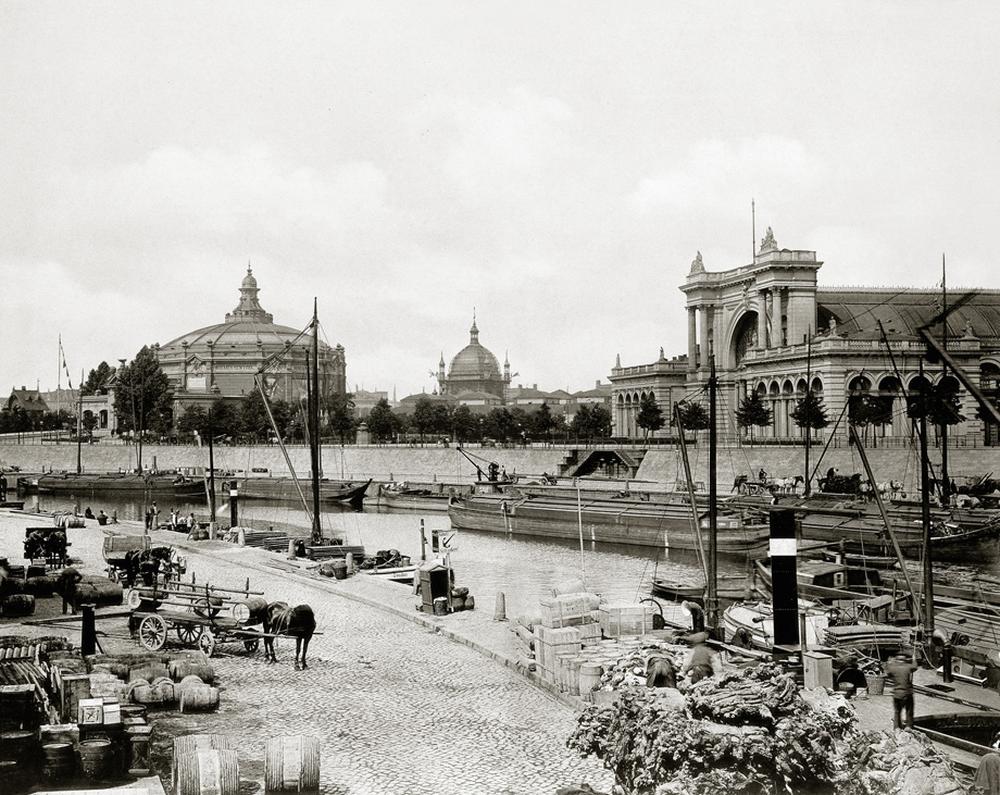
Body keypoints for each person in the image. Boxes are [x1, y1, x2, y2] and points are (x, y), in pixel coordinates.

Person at [885, 651, 917, 729]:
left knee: (897, 712)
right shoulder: (908, 667)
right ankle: (908, 726)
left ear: (896, 659)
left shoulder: (892, 668)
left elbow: (887, 672)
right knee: (909, 711)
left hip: (897, 693)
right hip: (907, 693)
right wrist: (914, 659)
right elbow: (915, 667)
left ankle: (896, 727)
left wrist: (889, 662)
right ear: (905, 659)